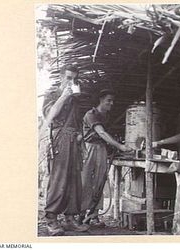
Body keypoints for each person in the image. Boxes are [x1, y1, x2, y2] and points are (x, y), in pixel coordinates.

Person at [42, 65, 89, 236]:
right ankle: (51, 219)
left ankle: (69, 219)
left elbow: (78, 121)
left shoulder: (76, 99)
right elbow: (50, 116)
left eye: (74, 79)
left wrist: (80, 138)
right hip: (59, 139)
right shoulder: (52, 94)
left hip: (74, 140)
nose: (72, 82)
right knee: (59, 179)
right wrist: (63, 96)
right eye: (68, 78)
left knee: (75, 180)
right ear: (61, 77)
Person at [80, 89, 132, 224]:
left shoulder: (106, 117)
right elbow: (101, 133)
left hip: (102, 149)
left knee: (100, 181)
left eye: (112, 100)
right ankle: (80, 213)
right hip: (89, 148)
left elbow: (106, 136)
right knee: (85, 181)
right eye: (109, 100)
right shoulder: (91, 114)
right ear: (101, 100)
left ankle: (94, 214)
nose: (111, 103)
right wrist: (120, 146)